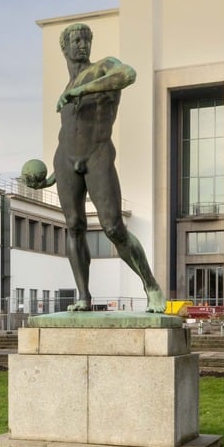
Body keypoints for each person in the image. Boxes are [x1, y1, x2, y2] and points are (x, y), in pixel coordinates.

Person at [52, 22, 165, 313]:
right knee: (74, 227)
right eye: (75, 41)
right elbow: (67, 134)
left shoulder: (104, 67)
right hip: (65, 161)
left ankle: (150, 284)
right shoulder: (66, 88)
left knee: (113, 228)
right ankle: (83, 296)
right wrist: (52, 175)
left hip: (98, 155)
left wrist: (83, 90)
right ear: (64, 48)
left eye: (86, 40)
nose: (82, 45)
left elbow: (128, 74)